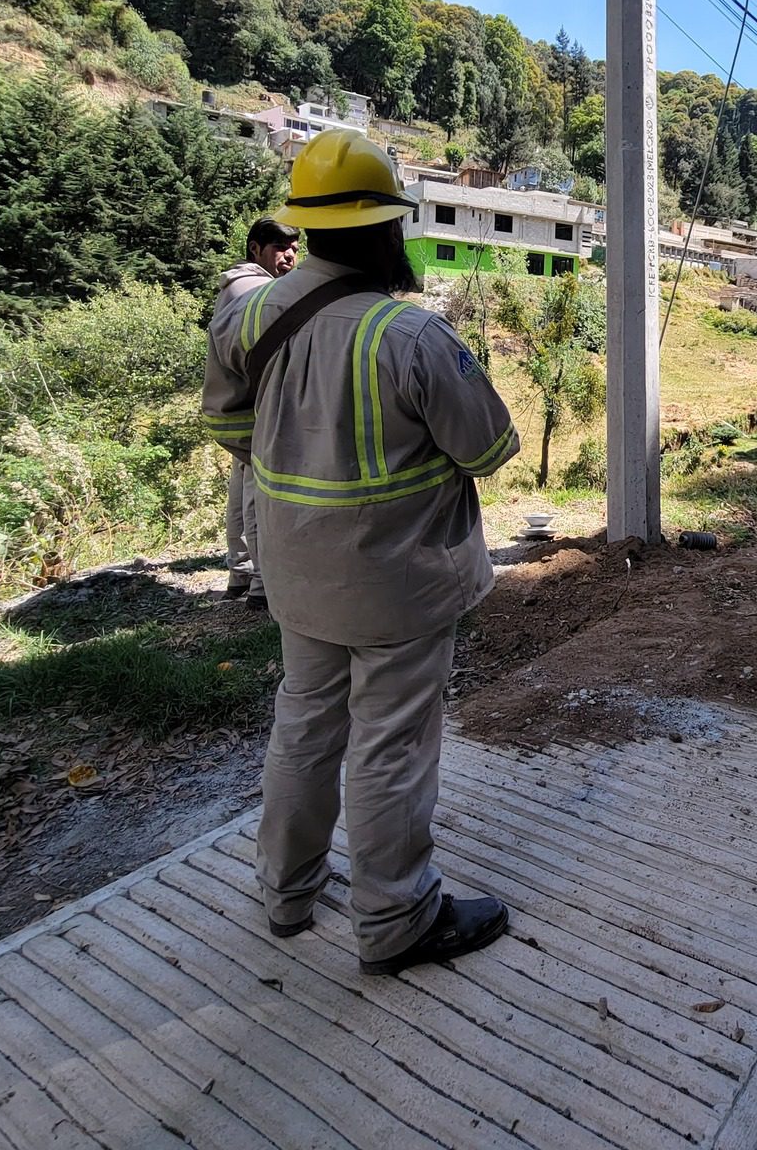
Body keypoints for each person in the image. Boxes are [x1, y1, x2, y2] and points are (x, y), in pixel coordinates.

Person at [202, 129, 519, 976]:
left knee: (303, 724)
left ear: (305, 227)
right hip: (399, 588)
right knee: (391, 744)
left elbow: (231, 426)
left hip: (296, 575)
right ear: (384, 230)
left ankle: (286, 893)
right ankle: (395, 918)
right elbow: (490, 449)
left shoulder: (247, 315)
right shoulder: (410, 338)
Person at [210, 218, 300, 606]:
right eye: (280, 247)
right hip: (253, 410)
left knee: (240, 492)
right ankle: (263, 588)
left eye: (295, 247)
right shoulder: (255, 290)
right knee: (256, 497)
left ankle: (241, 575)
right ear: (255, 249)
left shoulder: (238, 285)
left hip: (236, 408)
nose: (290, 255)